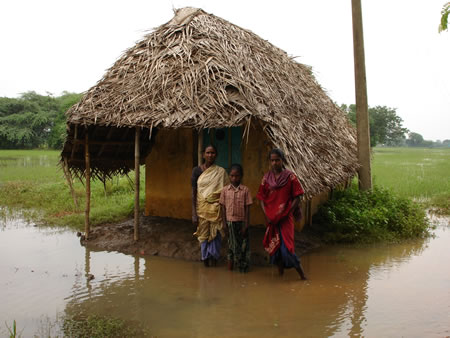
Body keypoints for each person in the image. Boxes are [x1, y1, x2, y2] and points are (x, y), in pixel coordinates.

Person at [256, 148, 307, 280]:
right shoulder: (266, 178)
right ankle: (280, 275)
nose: (274, 163)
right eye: (272, 160)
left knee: (287, 249)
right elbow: (261, 198)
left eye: (277, 160)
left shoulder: (290, 177)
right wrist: (266, 215)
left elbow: (298, 196)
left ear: (282, 160)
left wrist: (288, 211)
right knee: (276, 250)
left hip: (285, 219)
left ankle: (303, 276)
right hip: (272, 219)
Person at [192, 145, 229, 267]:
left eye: (213, 153)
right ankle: (205, 259)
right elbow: (194, 192)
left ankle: (214, 258)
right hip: (201, 208)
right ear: (203, 155)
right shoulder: (196, 171)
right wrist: (194, 213)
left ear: (216, 155)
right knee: (203, 234)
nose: (210, 155)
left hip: (216, 209)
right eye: (208, 152)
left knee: (216, 233)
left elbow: (224, 192)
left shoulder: (221, 172)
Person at [219, 163, 253, 273]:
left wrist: (246, 224)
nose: (234, 178)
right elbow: (222, 208)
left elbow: (247, 208)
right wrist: (224, 223)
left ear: (241, 176)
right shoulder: (224, 190)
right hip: (229, 223)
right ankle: (231, 269)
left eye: (237, 176)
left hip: (241, 222)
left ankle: (243, 268)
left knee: (243, 246)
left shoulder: (245, 190)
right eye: (232, 176)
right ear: (229, 176)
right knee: (231, 246)